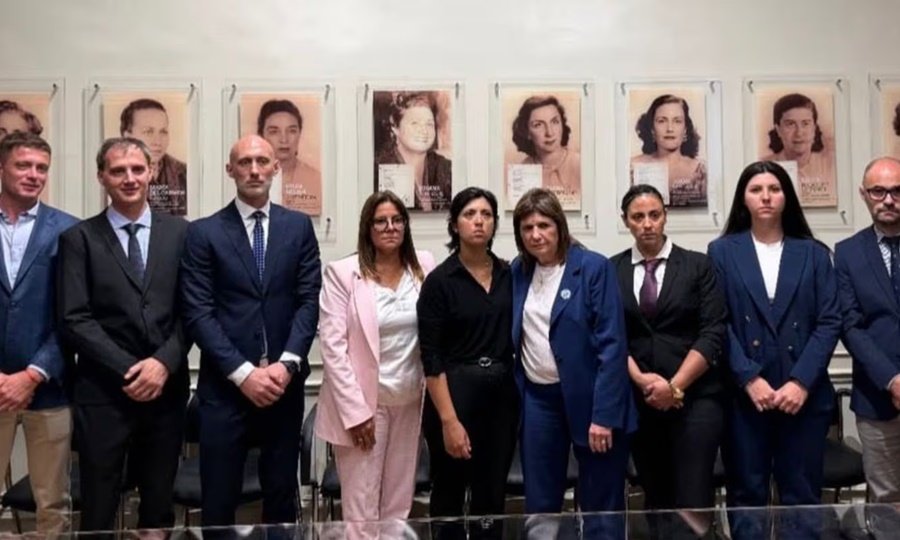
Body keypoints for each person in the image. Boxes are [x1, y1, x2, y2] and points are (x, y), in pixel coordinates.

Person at [180, 134, 321, 526]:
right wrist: (244, 374)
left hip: (283, 386)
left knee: (280, 496)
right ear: (231, 170)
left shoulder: (298, 228)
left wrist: (286, 365)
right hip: (225, 389)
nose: (254, 170)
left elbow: (309, 301)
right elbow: (198, 312)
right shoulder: (203, 233)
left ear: (276, 167)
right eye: (245, 162)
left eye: (262, 161)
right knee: (220, 500)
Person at [57, 137, 190, 531]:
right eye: (118, 171)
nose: (129, 178)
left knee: (158, 501)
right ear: (102, 177)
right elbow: (74, 318)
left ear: (151, 172)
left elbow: (193, 312)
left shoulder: (182, 234)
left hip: (166, 392)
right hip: (103, 394)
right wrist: (132, 370)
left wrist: (163, 365)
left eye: (137, 169)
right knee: (98, 505)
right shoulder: (78, 239)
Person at [707, 161, 841, 540]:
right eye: (756, 190)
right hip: (746, 396)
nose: (766, 197)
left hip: (803, 395)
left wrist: (801, 382)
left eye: (774, 189)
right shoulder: (721, 252)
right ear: (743, 199)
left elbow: (830, 321)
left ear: (786, 197)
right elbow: (719, 323)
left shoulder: (814, 253)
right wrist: (749, 378)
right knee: (746, 493)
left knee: (801, 494)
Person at [510, 187, 636, 539]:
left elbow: (612, 345)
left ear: (560, 227)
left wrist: (604, 415)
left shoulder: (593, 267)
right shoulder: (518, 272)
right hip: (539, 401)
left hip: (592, 400)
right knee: (540, 499)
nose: (536, 234)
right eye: (527, 227)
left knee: (601, 501)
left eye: (544, 225)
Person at [611, 184, 727, 539]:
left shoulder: (698, 266)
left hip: (695, 399)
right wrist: (643, 380)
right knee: (656, 495)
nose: (647, 224)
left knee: (693, 495)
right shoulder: (611, 270)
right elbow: (612, 335)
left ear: (665, 216)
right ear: (626, 222)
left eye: (654, 215)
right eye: (638, 217)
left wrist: (674, 386)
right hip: (641, 400)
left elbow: (712, 333)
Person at [316, 190, 435, 531]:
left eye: (397, 220)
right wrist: (356, 414)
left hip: (410, 400)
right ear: (367, 228)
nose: (389, 227)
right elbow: (334, 349)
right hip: (366, 407)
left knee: (398, 505)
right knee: (362, 509)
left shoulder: (423, 266)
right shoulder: (343, 273)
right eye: (380, 221)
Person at [416, 187, 518, 539]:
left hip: (501, 398)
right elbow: (431, 357)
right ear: (454, 224)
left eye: (486, 215)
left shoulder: (510, 275)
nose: (479, 221)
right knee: (449, 493)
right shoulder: (440, 282)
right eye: (470, 214)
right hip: (454, 396)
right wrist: (449, 421)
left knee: (492, 495)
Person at [0, 132, 78, 534]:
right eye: (23, 165)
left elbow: (74, 316)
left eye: (41, 168)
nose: (33, 175)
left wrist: (32, 373)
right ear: (2, 168)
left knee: (54, 502)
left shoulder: (68, 231)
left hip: (48, 386)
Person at [835, 157, 900, 539]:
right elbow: (850, 325)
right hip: (877, 397)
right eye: (879, 191)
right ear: (864, 196)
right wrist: (891, 379)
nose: (888, 199)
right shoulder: (847, 253)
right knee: (886, 497)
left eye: (896, 191)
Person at [374, 91, 451, 212]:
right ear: (395, 127)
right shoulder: (378, 170)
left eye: (429, 124)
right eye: (415, 123)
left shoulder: (446, 168)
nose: (424, 131)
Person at [630, 94, 707, 207]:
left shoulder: (701, 171)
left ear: (685, 129)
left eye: (677, 121)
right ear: (652, 129)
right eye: (662, 121)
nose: (670, 129)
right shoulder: (632, 167)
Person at [760, 93, 835, 206]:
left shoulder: (831, 164)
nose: (799, 133)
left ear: (814, 128)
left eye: (805, 124)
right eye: (790, 124)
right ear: (778, 129)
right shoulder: (763, 167)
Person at [120, 98, 187, 215]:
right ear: (127, 137)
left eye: (163, 132)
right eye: (148, 132)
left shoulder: (183, 172)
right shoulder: (113, 175)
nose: (157, 141)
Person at [511, 96, 581, 206]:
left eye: (554, 122)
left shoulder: (579, 163)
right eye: (538, 125)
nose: (549, 132)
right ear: (527, 132)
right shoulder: (522, 171)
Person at [257, 99, 322, 215]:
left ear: (299, 134)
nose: (284, 139)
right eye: (274, 131)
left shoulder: (315, 178)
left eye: (291, 131)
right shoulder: (251, 178)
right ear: (261, 135)